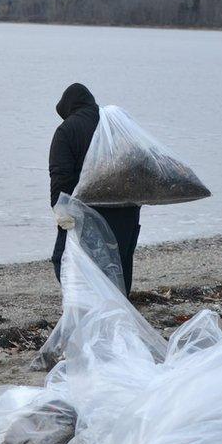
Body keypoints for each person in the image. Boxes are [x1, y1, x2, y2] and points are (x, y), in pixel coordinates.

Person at [49, 83, 141, 295]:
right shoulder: (116, 124)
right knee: (119, 268)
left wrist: (59, 209)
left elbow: (61, 175)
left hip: (86, 213)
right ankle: (117, 318)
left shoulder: (67, 130)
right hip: (127, 213)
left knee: (67, 263)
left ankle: (90, 317)